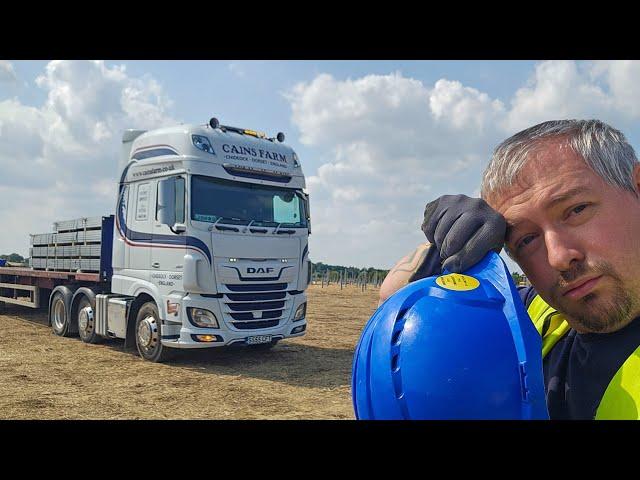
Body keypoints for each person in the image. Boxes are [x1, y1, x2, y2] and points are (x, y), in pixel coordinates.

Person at [379, 119, 640, 419]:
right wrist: (448, 246)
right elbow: (392, 304)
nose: (558, 258)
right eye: (527, 239)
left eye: (576, 210)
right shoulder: (538, 317)